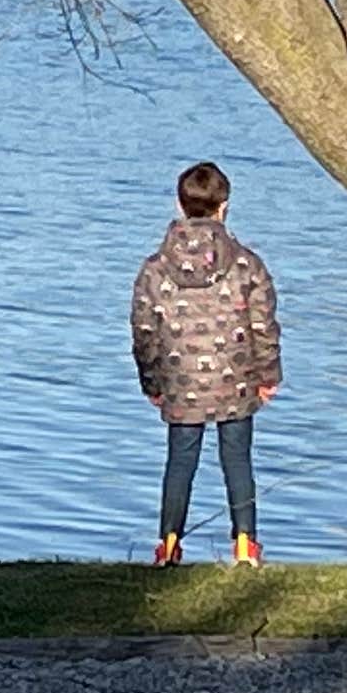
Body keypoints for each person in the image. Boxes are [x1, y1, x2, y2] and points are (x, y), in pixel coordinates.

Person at [130, 160, 281, 564]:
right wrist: (268, 375)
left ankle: (169, 544)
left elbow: (144, 332)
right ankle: (246, 545)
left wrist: (152, 383)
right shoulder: (247, 264)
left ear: (180, 207)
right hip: (236, 377)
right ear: (224, 207)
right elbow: (263, 324)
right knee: (237, 457)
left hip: (180, 379)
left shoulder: (154, 270)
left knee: (181, 459)